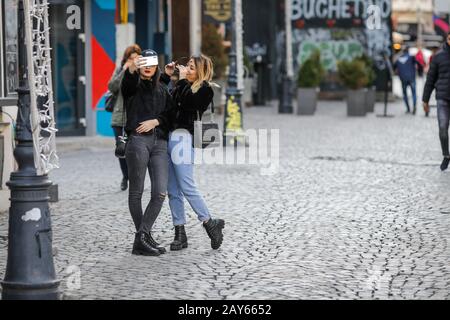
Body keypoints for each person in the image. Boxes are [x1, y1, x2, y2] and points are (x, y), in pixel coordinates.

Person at [144, 54, 225, 251]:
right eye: (187, 66)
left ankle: (208, 222)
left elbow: (190, 104)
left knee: (187, 185)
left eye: (192, 67)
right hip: (168, 137)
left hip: (183, 138)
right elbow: (165, 105)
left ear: (201, 71)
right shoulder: (180, 85)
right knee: (172, 190)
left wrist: (180, 81)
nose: (187, 69)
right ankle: (179, 232)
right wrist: (167, 76)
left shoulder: (205, 89)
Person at [121, 49, 174, 256]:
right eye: (145, 63)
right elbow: (126, 87)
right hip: (137, 141)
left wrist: (157, 121)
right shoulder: (133, 87)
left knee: (160, 192)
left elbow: (171, 114)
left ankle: (142, 236)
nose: (148, 67)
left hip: (159, 142)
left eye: (152, 63)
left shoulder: (162, 88)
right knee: (136, 191)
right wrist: (132, 69)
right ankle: (143, 237)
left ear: (156, 65)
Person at [108, 44, 142, 191]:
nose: (134, 60)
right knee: (121, 149)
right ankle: (125, 176)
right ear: (126, 59)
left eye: (136, 58)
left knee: (135, 150)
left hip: (136, 117)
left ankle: (135, 177)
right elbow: (112, 87)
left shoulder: (143, 71)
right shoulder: (120, 70)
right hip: (119, 117)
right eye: (131, 58)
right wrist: (123, 70)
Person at [423, 31, 450, 171]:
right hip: (442, 99)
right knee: (443, 129)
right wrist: (425, 100)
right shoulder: (438, 57)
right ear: (448, 38)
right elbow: (430, 79)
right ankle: (446, 155)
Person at [394, 46, 419, 114]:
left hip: (403, 78)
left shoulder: (398, 59)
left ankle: (408, 108)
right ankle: (414, 106)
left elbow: (394, 67)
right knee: (414, 93)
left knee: (405, 94)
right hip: (411, 77)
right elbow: (418, 64)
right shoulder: (411, 57)